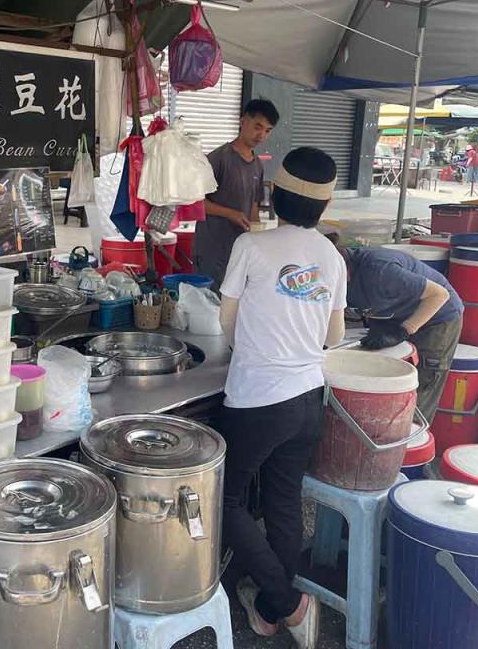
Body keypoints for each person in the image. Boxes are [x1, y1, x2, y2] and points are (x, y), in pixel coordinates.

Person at [216, 146, 345, 649]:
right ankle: (269, 612)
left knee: (225, 500)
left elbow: (226, 321)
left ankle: (285, 601)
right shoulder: (332, 257)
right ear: (324, 205)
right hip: (309, 398)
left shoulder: (252, 246)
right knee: (283, 500)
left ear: (274, 192)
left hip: (257, 399)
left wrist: (253, 339)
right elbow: (332, 337)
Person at [333, 243, 463, 422]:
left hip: (436, 317)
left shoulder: (380, 270)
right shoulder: (332, 277)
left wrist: (405, 329)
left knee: (417, 390)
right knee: (383, 378)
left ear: (342, 268)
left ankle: (410, 441)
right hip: (393, 315)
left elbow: (439, 295)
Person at [193, 98, 279, 287]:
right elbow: (195, 202)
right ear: (243, 121)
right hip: (212, 250)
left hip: (240, 250)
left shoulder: (257, 165)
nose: (261, 135)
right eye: (258, 127)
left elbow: (254, 205)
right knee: (211, 305)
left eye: (267, 131)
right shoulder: (218, 158)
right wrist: (230, 213)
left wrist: (258, 236)